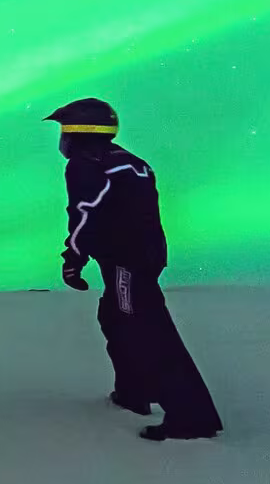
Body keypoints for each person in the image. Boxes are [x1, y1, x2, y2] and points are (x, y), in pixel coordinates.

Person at [46, 98, 223, 441]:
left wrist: (73, 257)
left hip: (125, 262)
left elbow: (85, 213)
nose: (62, 138)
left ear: (79, 132)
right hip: (142, 257)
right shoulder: (128, 160)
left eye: (65, 129)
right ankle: (134, 391)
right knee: (115, 318)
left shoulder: (89, 164)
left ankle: (191, 417)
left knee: (145, 330)